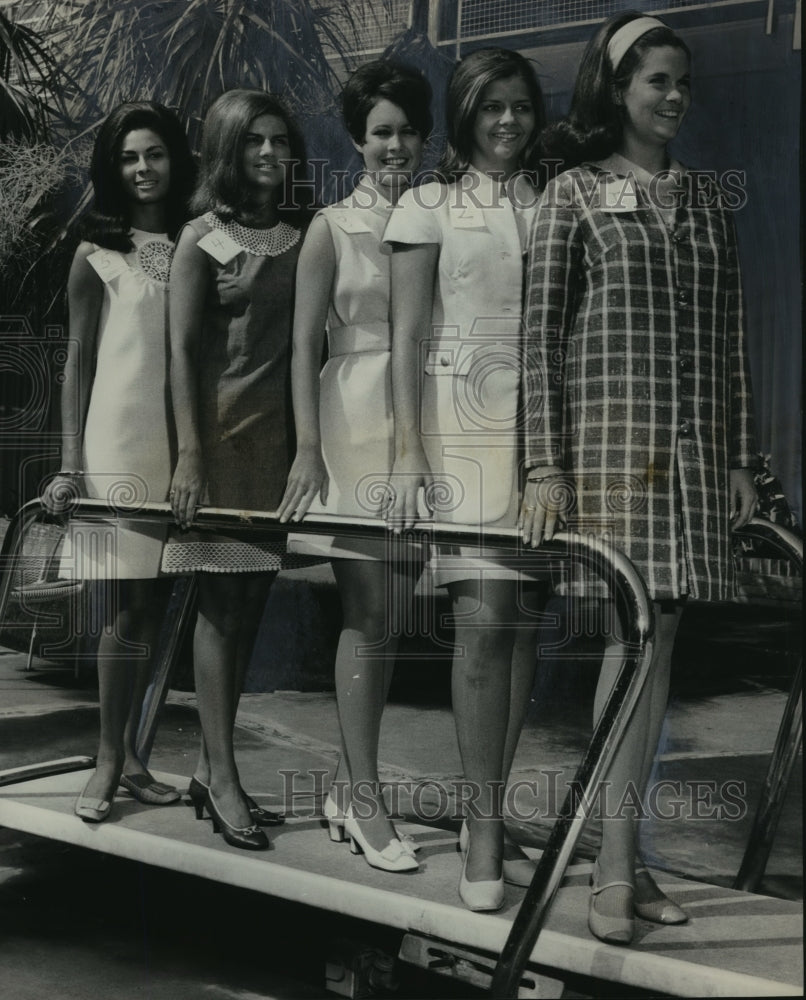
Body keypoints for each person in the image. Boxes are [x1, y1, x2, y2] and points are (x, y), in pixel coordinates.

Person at [522, 12, 758, 944]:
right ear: (618, 89)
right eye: (656, 81)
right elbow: (537, 343)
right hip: (613, 454)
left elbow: (730, 338)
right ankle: (612, 873)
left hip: (692, 458)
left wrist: (741, 458)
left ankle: (629, 857)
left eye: (683, 83)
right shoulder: (573, 195)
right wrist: (546, 463)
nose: (673, 98)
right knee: (631, 652)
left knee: (659, 658)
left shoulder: (705, 199)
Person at [384, 48, 549, 910]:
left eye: (521, 105)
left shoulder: (553, 198)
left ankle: (494, 813)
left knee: (521, 627)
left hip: (542, 436)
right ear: (465, 113)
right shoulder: (426, 205)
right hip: (459, 431)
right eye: (491, 106)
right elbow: (406, 338)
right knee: (482, 626)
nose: (508, 121)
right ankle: (480, 828)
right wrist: (407, 450)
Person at [278, 62, 433, 873]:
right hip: (355, 420)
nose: (395, 144)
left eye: (408, 129)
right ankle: (365, 799)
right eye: (381, 131)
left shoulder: (444, 216)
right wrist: (307, 447)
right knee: (368, 611)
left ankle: (348, 784)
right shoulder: (331, 227)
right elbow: (304, 346)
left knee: (392, 612)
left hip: (425, 423)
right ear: (356, 140)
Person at [165, 90, 311, 850]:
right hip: (217, 444)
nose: (268, 154)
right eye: (253, 141)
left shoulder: (296, 235)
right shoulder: (200, 236)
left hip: (273, 447)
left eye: (280, 141)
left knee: (250, 605)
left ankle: (205, 764)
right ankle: (224, 779)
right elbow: (183, 351)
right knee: (219, 608)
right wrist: (189, 453)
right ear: (226, 148)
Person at [43, 101, 195, 822]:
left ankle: (134, 758)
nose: (144, 168)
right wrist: (71, 462)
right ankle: (108, 760)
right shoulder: (94, 252)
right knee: (126, 607)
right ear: (114, 166)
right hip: (116, 444)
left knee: (157, 607)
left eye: (155, 154)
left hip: (186, 446)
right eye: (131, 157)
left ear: (175, 160)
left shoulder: (199, 242)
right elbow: (76, 364)